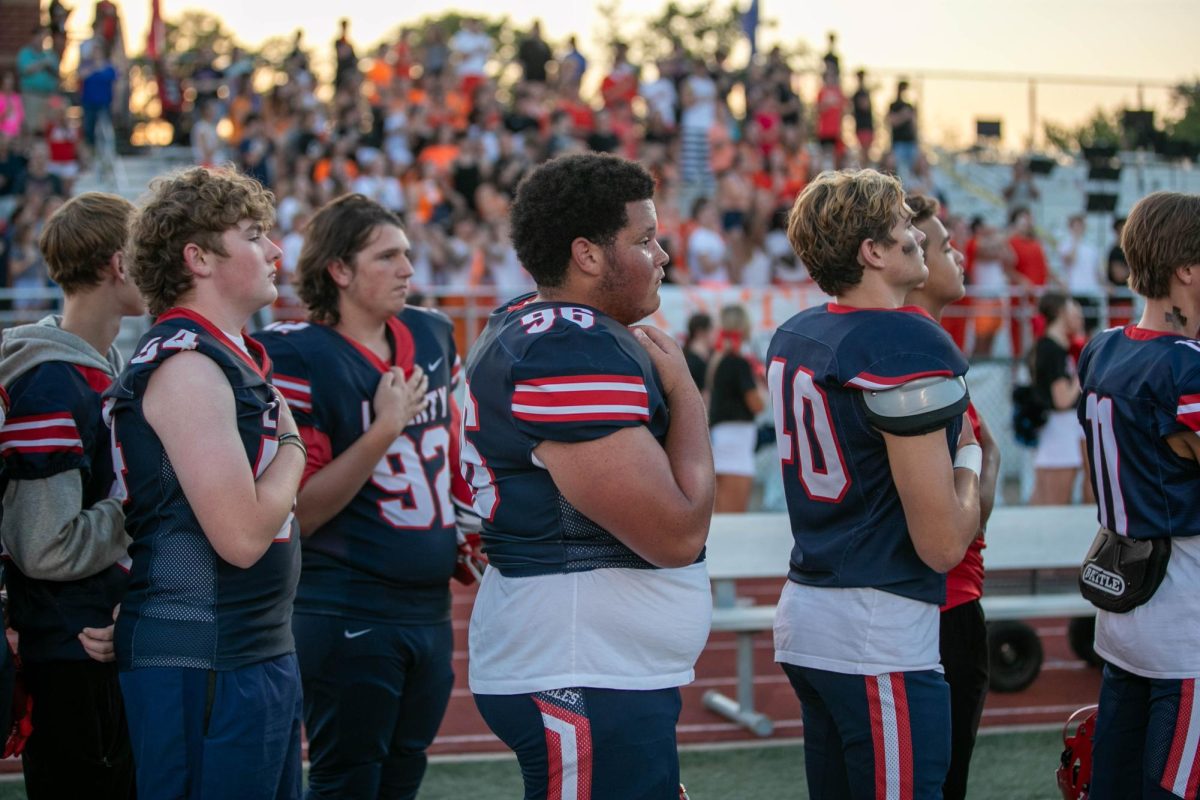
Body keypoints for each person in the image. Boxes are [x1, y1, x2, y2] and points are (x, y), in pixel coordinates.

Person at [463, 153, 714, 799]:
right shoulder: (565, 345)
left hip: (595, 660)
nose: (662, 255)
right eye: (645, 239)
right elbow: (676, 533)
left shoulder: (535, 324)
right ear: (589, 255)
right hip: (580, 661)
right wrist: (686, 393)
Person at [253, 194, 475, 800]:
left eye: (406, 253)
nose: (408, 268)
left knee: (404, 771)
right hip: (347, 603)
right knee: (348, 777)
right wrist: (384, 429)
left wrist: (466, 528)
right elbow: (300, 508)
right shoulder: (300, 354)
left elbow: (455, 445)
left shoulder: (430, 333)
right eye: (387, 256)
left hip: (427, 605)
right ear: (340, 270)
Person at [767, 169, 980, 799]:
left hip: (811, 610)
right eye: (902, 227)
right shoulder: (901, 339)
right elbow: (942, 544)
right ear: (873, 253)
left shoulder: (799, 331)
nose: (916, 234)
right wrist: (970, 460)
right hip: (875, 626)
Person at [106, 167, 306, 799]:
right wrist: (295, 450)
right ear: (197, 257)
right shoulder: (187, 365)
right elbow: (242, 537)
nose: (275, 251)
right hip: (203, 658)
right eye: (253, 235)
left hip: (248, 650)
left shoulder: (227, 354)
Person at [0, 192, 142, 798]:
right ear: (118, 264)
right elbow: (44, 545)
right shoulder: (54, 380)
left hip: (85, 638)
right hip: (70, 647)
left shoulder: (92, 362)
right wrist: (144, 505)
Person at [1075, 191, 1200, 800]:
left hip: (1124, 602)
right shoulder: (1185, 367)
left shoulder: (1104, 348)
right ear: (1187, 268)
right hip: (1185, 619)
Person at [904, 193, 1001, 800]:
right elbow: (956, 523)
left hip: (922, 600)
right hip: (942, 603)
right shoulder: (921, 358)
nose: (956, 253)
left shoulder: (922, 350)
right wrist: (985, 459)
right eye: (940, 245)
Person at [1028, 291, 1086, 505]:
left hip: (1062, 430)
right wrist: (1082, 375)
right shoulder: (1051, 348)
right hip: (1059, 431)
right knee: (1054, 505)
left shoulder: (1056, 346)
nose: (1078, 317)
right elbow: (1062, 400)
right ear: (1061, 313)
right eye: (1073, 311)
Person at [707, 304, 765, 513]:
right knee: (733, 517)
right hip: (736, 438)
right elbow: (756, 405)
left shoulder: (718, 360)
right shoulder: (737, 363)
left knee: (722, 516)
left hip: (725, 436)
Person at [683, 311, 713, 392]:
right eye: (712, 329)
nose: (716, 333)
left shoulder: (712, 354)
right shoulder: (690, 361)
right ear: (700, 332)